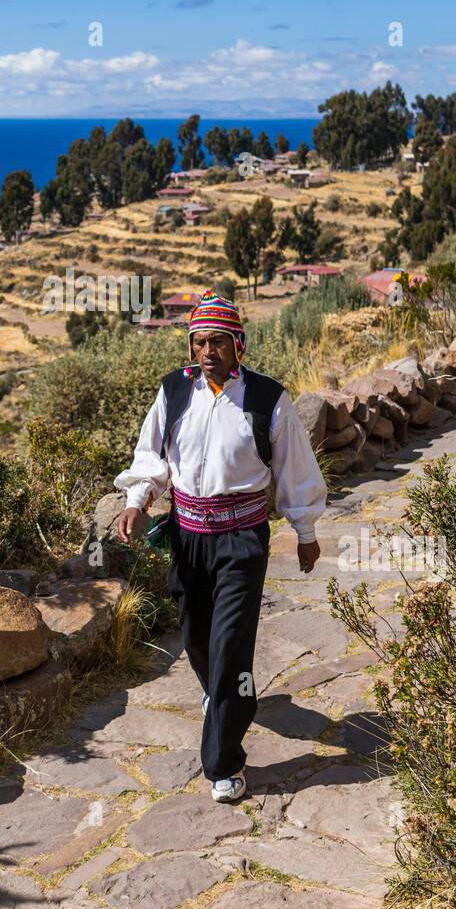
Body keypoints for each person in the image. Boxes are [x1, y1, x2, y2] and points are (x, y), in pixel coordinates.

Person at [114, 292, 327, 804]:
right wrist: (138, 499)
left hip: (242, 539)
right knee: (196, 633)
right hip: (187, 536)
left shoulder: (268, 400)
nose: (207, 350)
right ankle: (224, 693)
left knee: (231, 646)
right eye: (199, 341)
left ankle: (223, 763)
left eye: (217, 341)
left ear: (238, 344)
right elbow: (153, 456)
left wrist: (305, 530)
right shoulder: (173, 393)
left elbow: (294, 470)